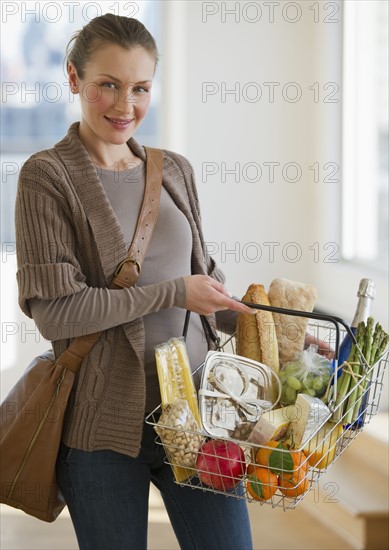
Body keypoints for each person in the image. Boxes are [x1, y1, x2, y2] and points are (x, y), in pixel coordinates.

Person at [14, 14, 256, 550]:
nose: (126, 107)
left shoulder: (174, 171)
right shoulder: (46, 176)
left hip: (198, 416)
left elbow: (205, 290)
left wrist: (269, 327)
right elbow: (56, 314)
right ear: (74, 79)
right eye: (108, 85)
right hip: (101, 432)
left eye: (140, 88)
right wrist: (173, 292)